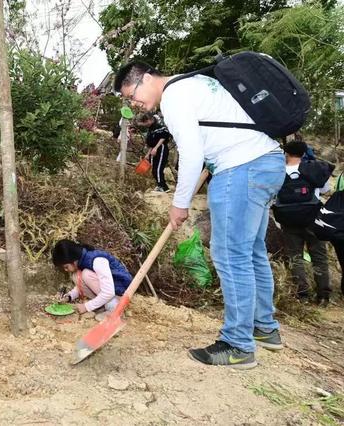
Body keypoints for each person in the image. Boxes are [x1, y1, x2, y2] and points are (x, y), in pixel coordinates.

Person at [114, 61, 285, 369]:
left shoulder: (175, 95)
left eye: (133, 94)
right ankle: (264, 327)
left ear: (148, 78)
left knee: (231, 256)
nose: (134, 103)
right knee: (252, 252)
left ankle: (237, 345)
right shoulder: (195, 84)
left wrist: (179, 203)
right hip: (266, 162)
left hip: (241, 169)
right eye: (129, 100)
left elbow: (191, 153)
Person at [274, 140, 333, 306]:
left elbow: (273, 195)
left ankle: (303, 296)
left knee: (295, 257)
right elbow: (325, 190)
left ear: (286, 153)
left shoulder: (278, 172)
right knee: (319, 257)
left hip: (288, 221)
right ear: (304, 153)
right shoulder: (314, 169)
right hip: (313, 220)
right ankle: (323, 296)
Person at [51, 239, 132, 320]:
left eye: (66, 267)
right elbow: (80, 285)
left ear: (73, 260)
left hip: (120, 289)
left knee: (85, 274)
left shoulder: (97, 261)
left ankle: (113, 307)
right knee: (76, 275)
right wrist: (69, 297)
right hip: (110, 290)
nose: (65, 270)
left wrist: (86, 307)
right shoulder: (82, 261)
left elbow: (109, 292)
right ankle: (102, 305)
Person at [136, 112, 172, 192]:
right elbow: (152, 143)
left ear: (150, 120)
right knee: (154, 169)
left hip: (161, 148)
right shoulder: (150, 129)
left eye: (145, 122)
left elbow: (163, 137)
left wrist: (156, 148)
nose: (145, 125)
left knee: (158, 168)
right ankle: (160, 185)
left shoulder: (159, 126)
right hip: (154, 149)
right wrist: (148, 154)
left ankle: (163, 187)